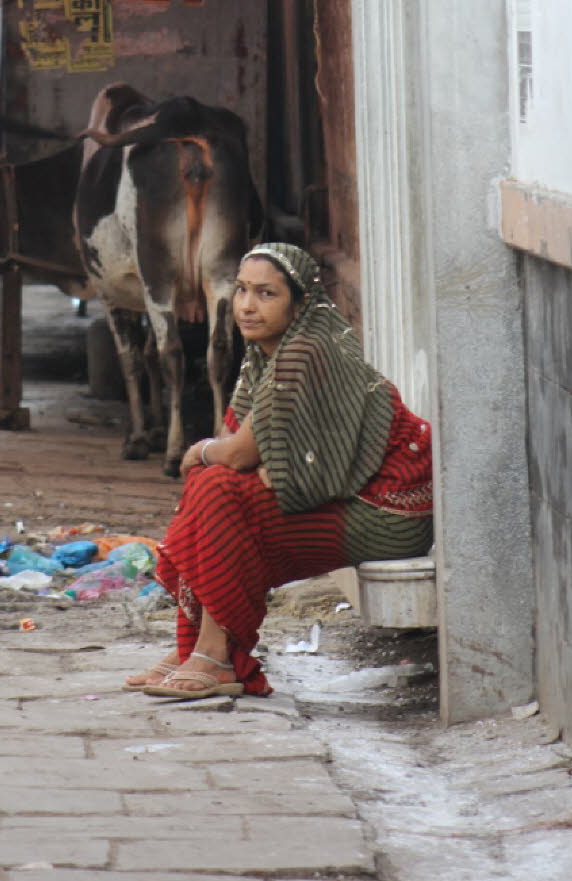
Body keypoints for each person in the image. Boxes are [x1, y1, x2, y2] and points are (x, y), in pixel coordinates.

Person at [124, 242, 433, 700]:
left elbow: (237, 454)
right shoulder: (265, 356)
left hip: (389, 511)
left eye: (266, 294)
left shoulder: (304, 352)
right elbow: (244, 452)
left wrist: (205, 451)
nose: (247, 306)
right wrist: (234, 458)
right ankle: (197, 647)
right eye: (243, 290)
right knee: (213, 490)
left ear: (300, 303)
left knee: (219, 492)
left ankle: (215, 653)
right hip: (350, 497)